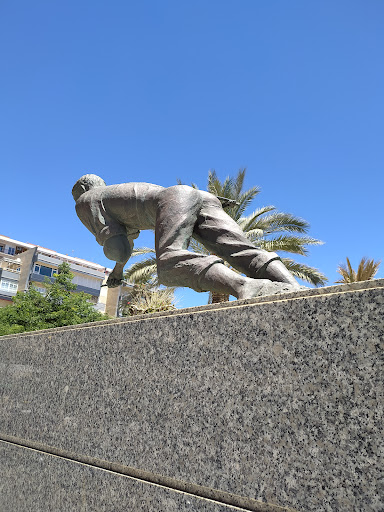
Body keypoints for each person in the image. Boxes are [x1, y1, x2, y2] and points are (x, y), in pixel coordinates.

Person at [72, 174, 300, 299]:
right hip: (196, 196)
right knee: (240, 250)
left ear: (82, 189)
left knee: (169, 265)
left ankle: (246, 287)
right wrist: (118, 271)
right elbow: (127, 241)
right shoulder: (114, 196)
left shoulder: (87, 200)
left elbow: (119, 247)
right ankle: (293, 288)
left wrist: (112, 254)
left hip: (172, 200)